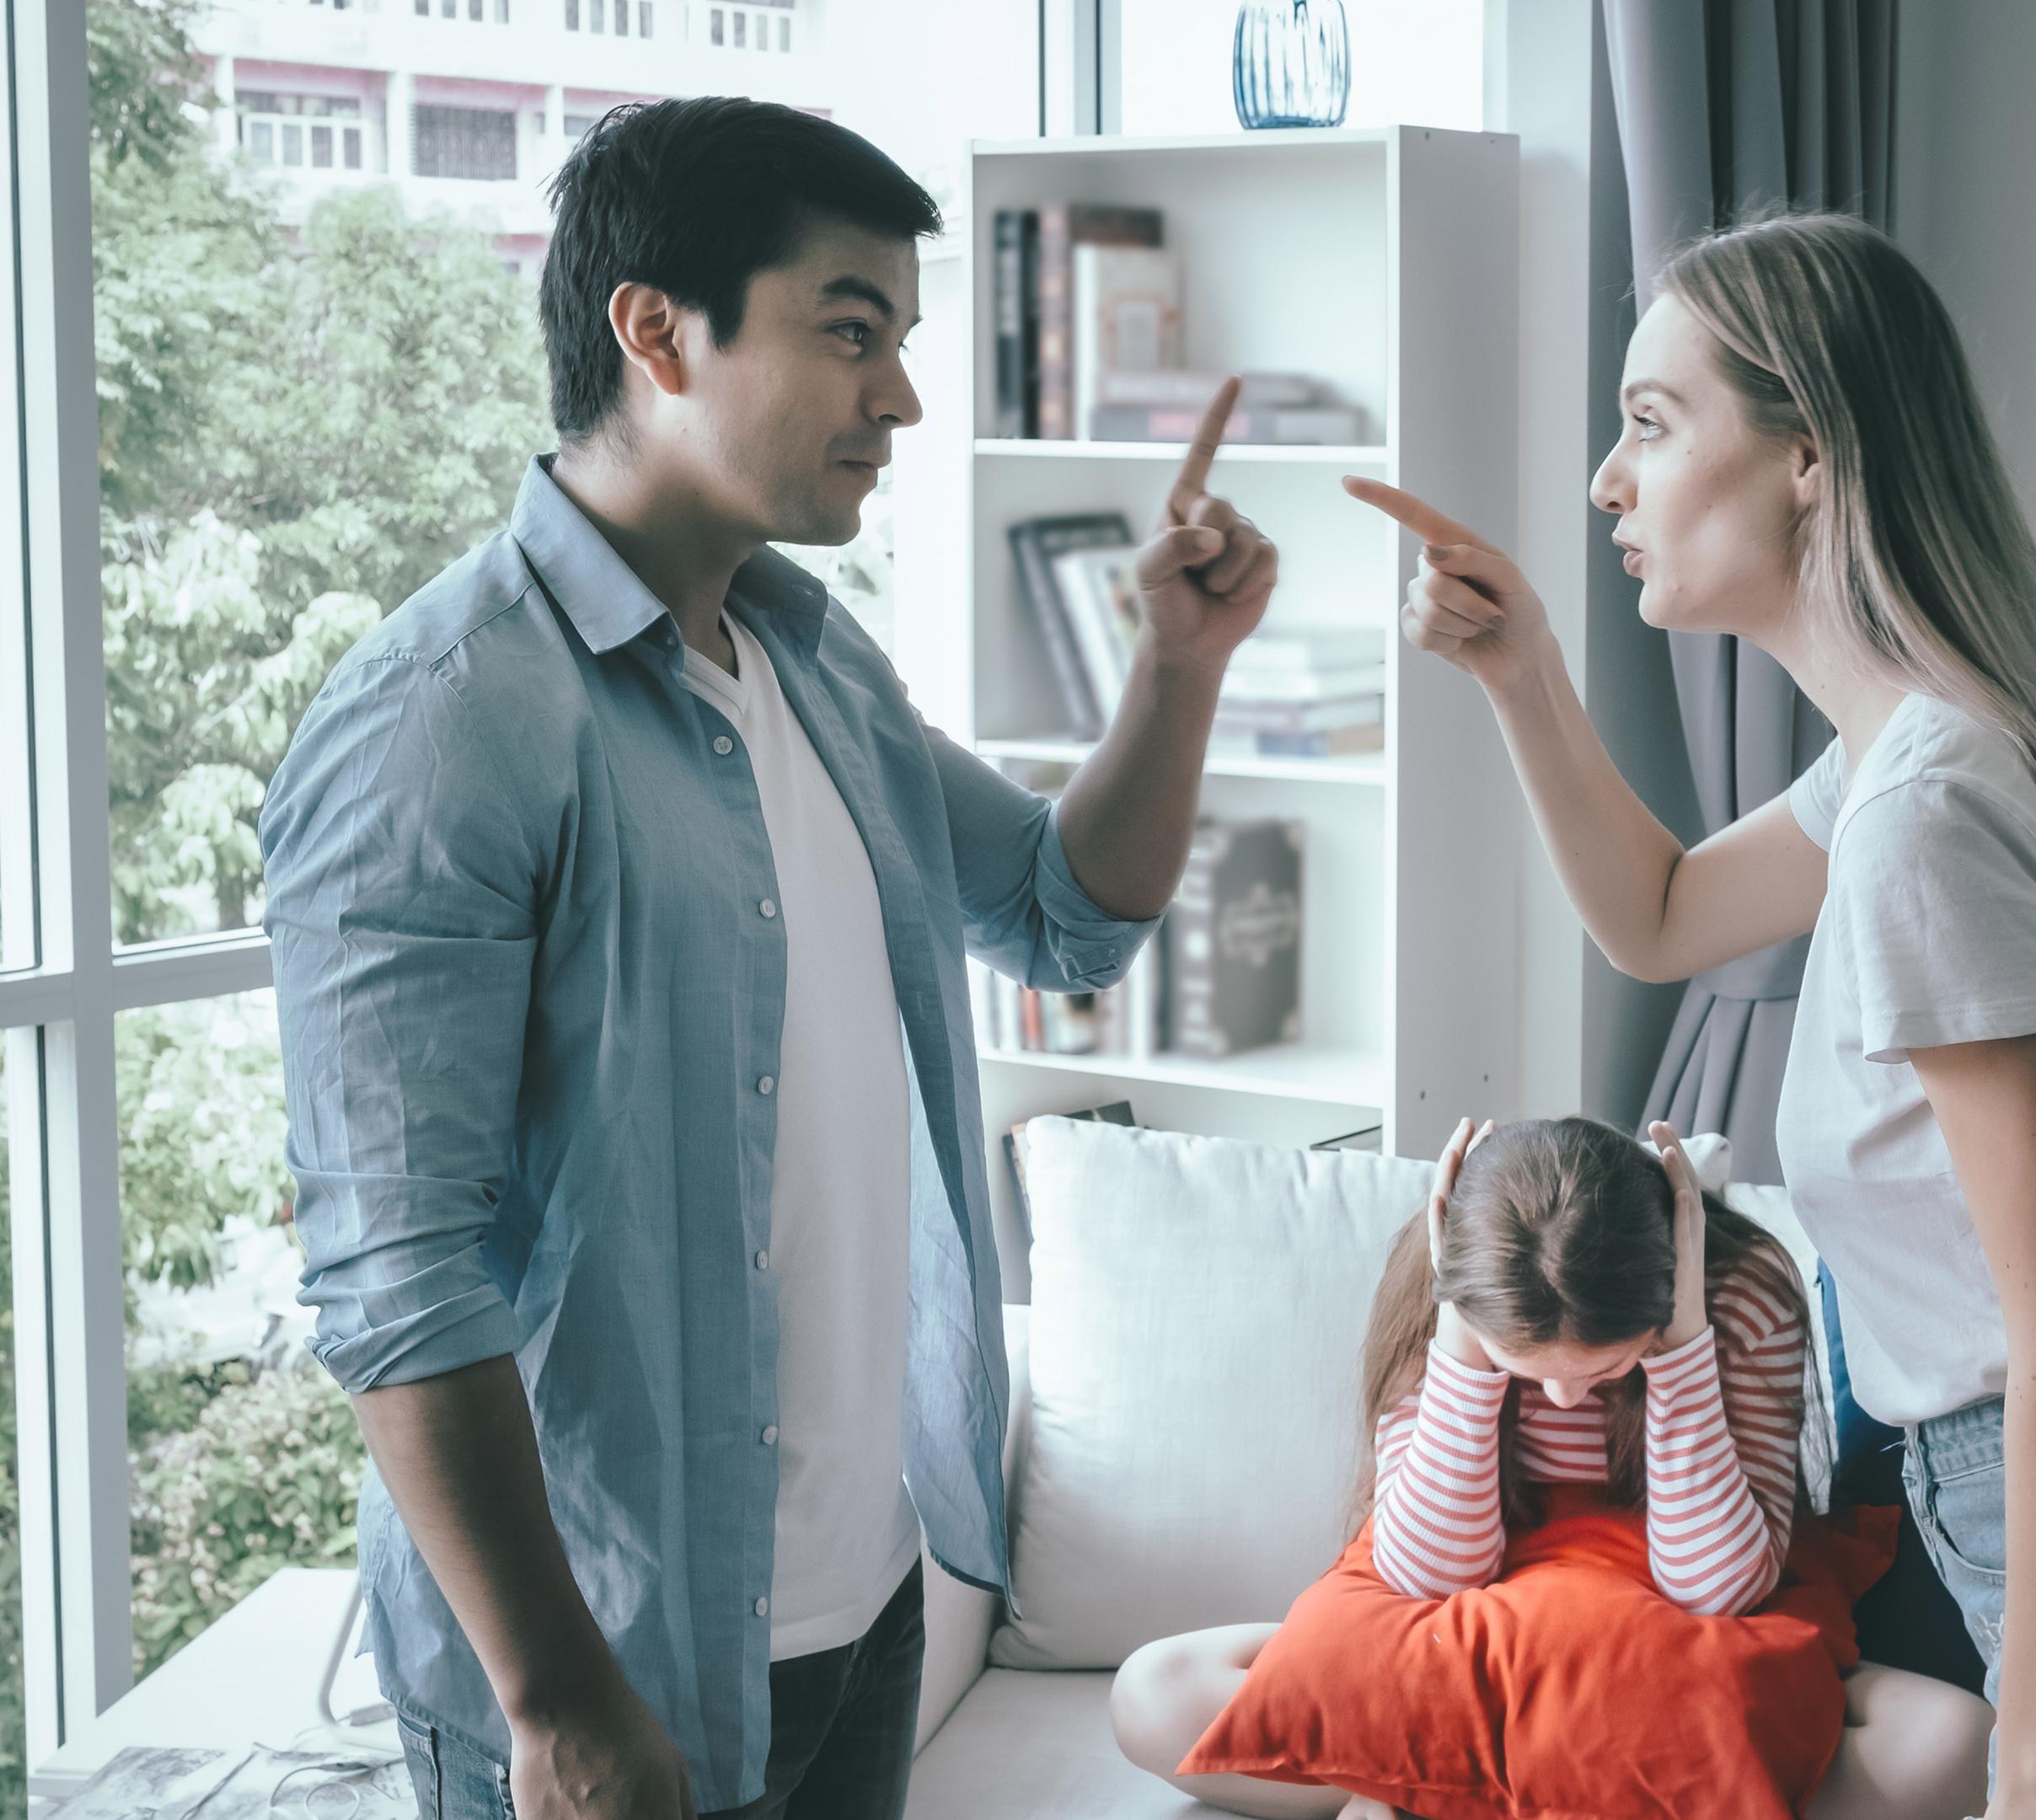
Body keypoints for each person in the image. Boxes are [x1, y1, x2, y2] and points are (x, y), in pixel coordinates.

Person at [260, 98, 1276, 1820]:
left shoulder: (815, 660)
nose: (903, 399)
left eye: (903, 342)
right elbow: (394, 1278)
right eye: (851, 332)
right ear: (657, 332)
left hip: (865, 1606)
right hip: (611, 1667)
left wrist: (1180, 667)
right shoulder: (444, 722)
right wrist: (557, 1700)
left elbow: (1061, 910)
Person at [1343, 213, 2036, 1819]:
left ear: (1809, 454)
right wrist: (1523, 670)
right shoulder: (1910, 752)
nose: (1608, 483)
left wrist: (2032, 1773)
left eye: (1651, 423)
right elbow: (1660, 917)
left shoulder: (1926, 812)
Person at [1108, 1116, 1996, 1820]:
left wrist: (1684, 1344)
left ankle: (1438, 1793)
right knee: (1152, 1693)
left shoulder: (1742, 1293)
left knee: (1958, 1742)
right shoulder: (1444, 1291)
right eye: (1532, 1373)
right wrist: (1463, 1340)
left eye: (1604, 1370)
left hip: (1673, 1621)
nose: (1567, 1401)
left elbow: (1718, 1587)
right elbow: (1428, 1572)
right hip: (1465, 1620)